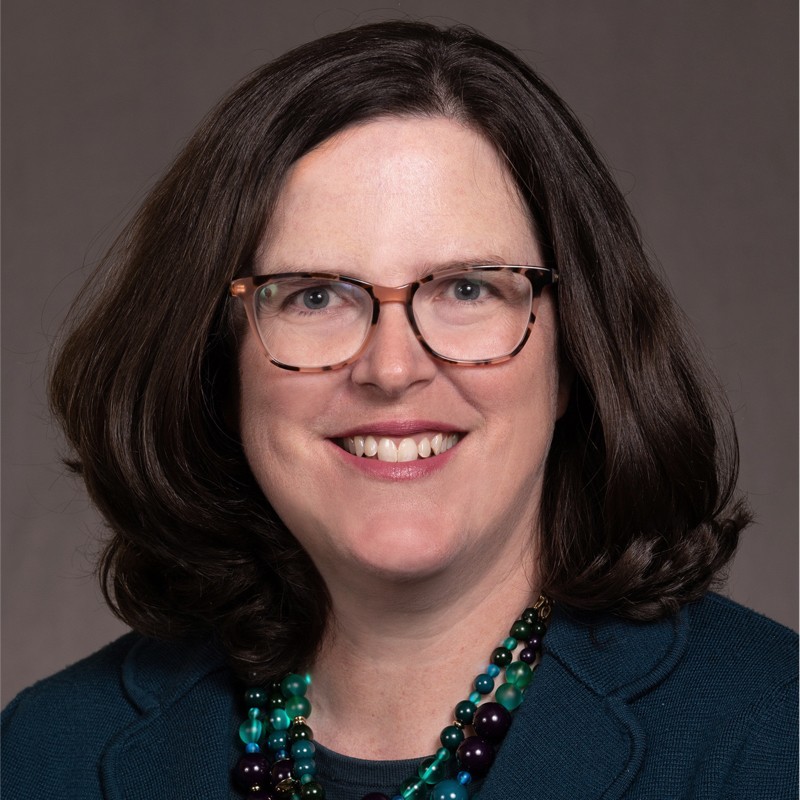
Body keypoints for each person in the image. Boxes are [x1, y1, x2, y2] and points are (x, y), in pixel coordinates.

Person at [2, 20, 796, 800]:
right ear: (218, 362)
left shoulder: (773, 738)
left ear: (574, 354)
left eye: (466, 289)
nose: (390, 368)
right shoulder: (45, 755)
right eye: (314, 296)